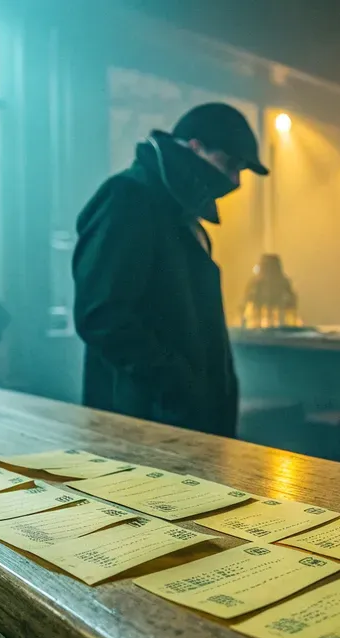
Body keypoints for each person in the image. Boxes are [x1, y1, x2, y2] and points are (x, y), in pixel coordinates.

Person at [72, 103, 269, 437]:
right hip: (142, 425)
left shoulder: (177, 212)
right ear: (194, 147)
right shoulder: (127, 197)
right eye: (231, 165)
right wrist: (176, 383)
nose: (234, 180)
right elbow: (100, 314)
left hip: (179, 421)